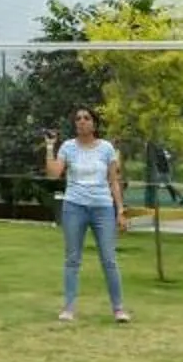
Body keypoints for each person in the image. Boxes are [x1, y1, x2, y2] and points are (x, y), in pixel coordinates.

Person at [40, 107, 129, 323]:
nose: (81, 121)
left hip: (102, 208)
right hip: (74, 207)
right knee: (72, 260)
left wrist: (120, 211)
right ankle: (68, 308)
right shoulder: (68, 147)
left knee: (109, 259)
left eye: (86, 118)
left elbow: (114, 181)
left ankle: (118, 309)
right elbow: (53, 175)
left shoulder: (106, 148)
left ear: (94, 124)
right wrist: (50, 147)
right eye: (78, 119)